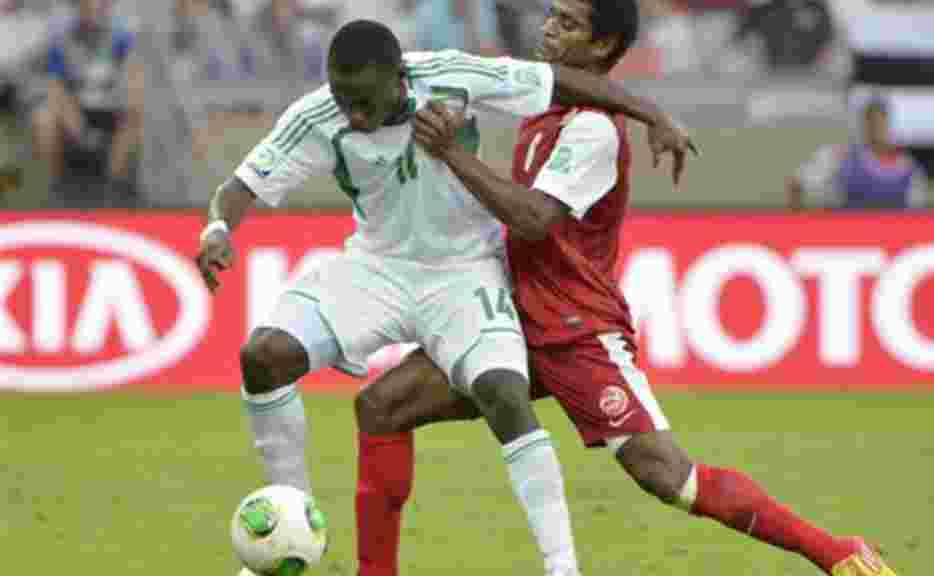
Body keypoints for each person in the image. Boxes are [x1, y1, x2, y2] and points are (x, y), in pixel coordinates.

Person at [352, 2, 900, 576]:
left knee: (668, 476)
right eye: (551, 14)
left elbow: (535, 218)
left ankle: (834, 551)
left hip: (574, 333)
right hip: (511, 317)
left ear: (603, 46)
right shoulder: (545, 102)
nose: (548, 28)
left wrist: (452, 154)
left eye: (568, 23)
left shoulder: (590, 130)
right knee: (382, 406)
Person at [193, 18, 693, 576]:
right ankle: (293, 519)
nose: (353, 116)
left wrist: (652, 114)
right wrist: (217, 231)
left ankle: (562, 569)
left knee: (504, 392)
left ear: (398, 77)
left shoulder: (452, 75)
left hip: (466, 272)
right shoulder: (317, 115)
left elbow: (561, 82)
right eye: (343, 100)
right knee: (263, 356)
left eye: (364, 102)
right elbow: (240, 187)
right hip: (375, 268)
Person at [33, 0, 139, 208]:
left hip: (111, 106)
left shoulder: (122, 37)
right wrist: (75, 121)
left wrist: (129, 100)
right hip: (76, 108)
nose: (91, 11)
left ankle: (111, 189)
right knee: (44, 119)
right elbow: (55, 86)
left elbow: (133, 75)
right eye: (86, 6)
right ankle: (56, 189)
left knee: (134, 119)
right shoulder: (61, 39)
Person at [788, 96, 926, 210]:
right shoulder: (839, 156)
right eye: (872, 121)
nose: (878, 127)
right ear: (864, 123)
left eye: (882, 121)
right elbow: (797, 184)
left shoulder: (909, 169)